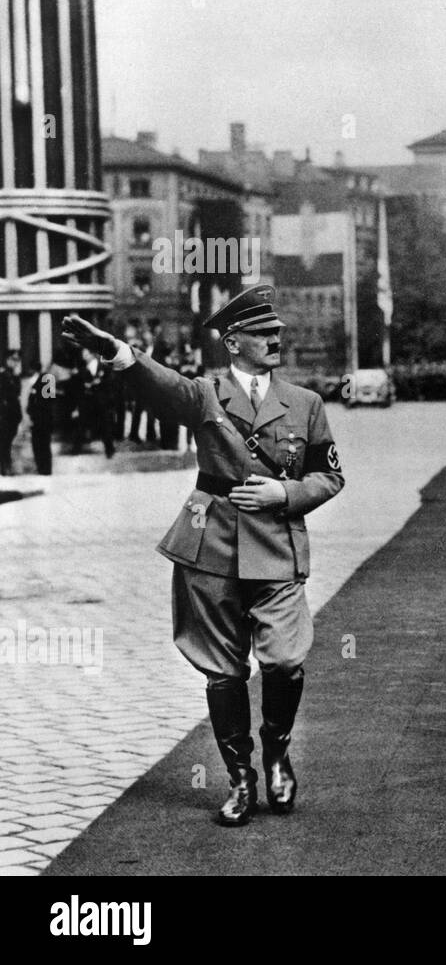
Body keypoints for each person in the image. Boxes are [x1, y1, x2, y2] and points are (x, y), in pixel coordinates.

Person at [61, 284, 345, 826]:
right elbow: (157, 384)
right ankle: (241, 777)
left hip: (278, 547)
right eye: (264, 334)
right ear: (233, 342)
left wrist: (284, 494)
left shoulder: (306, 404)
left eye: (277, 333)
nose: (276, 340)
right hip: (211, 545)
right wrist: (114, 349)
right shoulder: (205, 393)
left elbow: (329, 475)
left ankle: (278, 751)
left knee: (285, 659)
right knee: (222, 670)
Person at [0, 351, 21, 475]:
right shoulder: (2, 375)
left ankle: (6, 466)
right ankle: (5, 467)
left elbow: (16, 394)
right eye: (13, 359)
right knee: (4, 441)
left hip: (13, 414)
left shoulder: (14, 376)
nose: (15, 362)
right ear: (7, 360)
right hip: (4, 414)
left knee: (7, 441)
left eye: (17, 360)